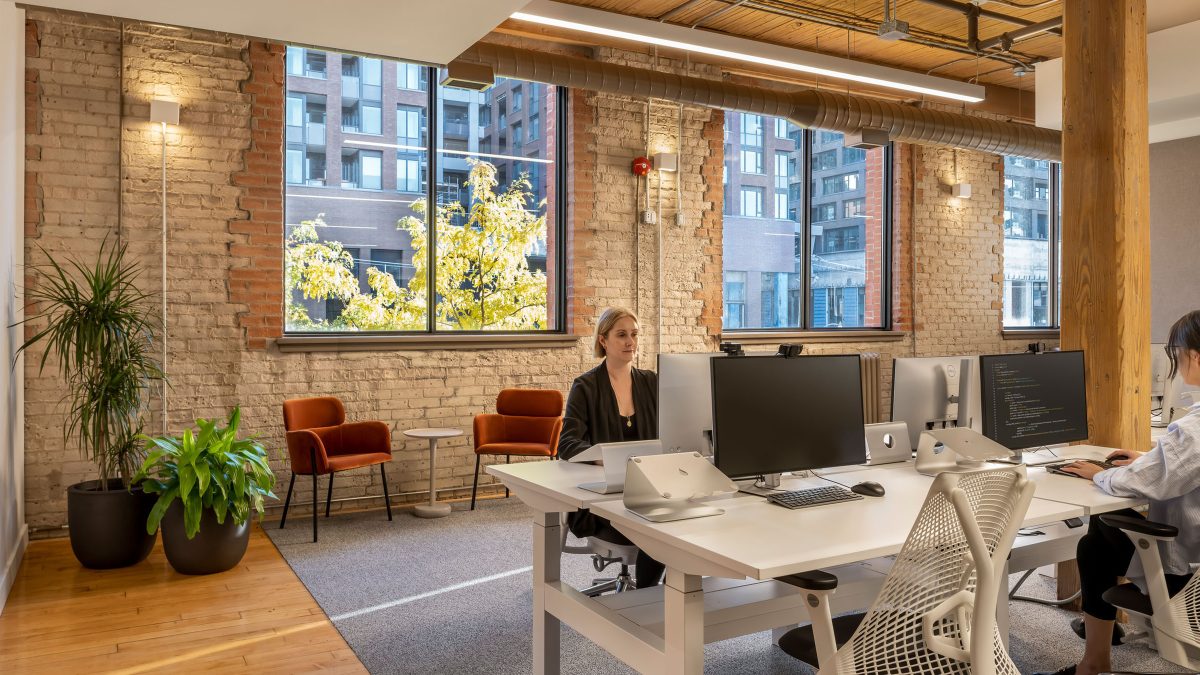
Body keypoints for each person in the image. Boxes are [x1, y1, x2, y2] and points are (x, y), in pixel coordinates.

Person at [1037, 310, 1200, 675]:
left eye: (1177, 355)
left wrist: (1098, 474)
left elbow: (1138, 483)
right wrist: (1151, 457)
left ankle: (1094, 663)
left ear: (1196, 357)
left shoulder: (1193, 431)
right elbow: (1182, 467)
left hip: (1187, 575)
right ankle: (1098, 652)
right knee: (1101, 537)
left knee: (1099, 533)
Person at [558, 307, 665, 589]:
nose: (630, 341)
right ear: (603, 340)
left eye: (634, 334)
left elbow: (672, 433)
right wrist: (605, 459)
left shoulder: (651, 382)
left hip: (648, 490)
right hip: (604, 498)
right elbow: (567, 444)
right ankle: (645, 597)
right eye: (621, 335)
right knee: (656, 530)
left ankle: (653, 598)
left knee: (676, 523)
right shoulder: (586, 386)